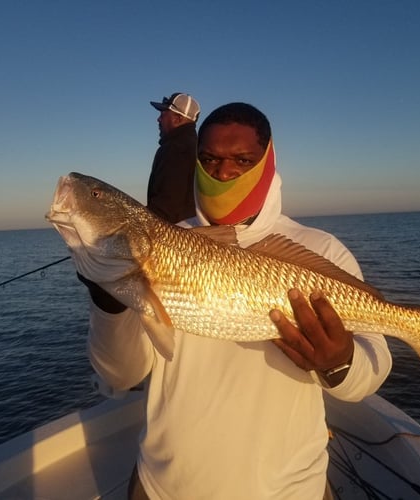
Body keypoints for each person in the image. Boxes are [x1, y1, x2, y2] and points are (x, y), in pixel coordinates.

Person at [82, 103, 392, 499]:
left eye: (241, 161)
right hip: (163, 489)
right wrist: (109, 304)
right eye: (208, 159)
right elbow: (120, 376)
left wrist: (340, 363)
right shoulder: (161, 243)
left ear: (268, 161)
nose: (222, 173)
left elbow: (373, 369)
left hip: (290, 492)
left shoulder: (322, 251)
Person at [147, 92, 200, 223]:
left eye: (163, 114)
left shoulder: (175, 148)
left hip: (172, 236)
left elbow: (167, 207)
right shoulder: (197, 146)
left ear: (177, 119)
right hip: (192, 232)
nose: (158, 120)